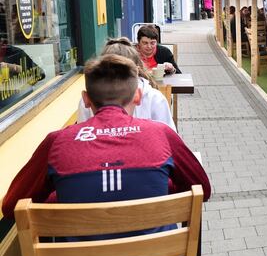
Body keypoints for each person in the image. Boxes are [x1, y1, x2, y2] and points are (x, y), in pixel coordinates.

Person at [1, 54, 211, 222]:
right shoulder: (162, 134)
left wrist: (68, 197)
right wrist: (154, 187)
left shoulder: (56, 142)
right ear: (138, 96)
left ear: (85, 99)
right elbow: (202, 190)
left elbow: (12, 207)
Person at [77, 38, 175, 131]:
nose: (116, 76)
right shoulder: (91, 97)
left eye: (123, 72)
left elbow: (168, 134)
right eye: (109, 69)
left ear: (136, 71)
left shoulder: (154, 98)